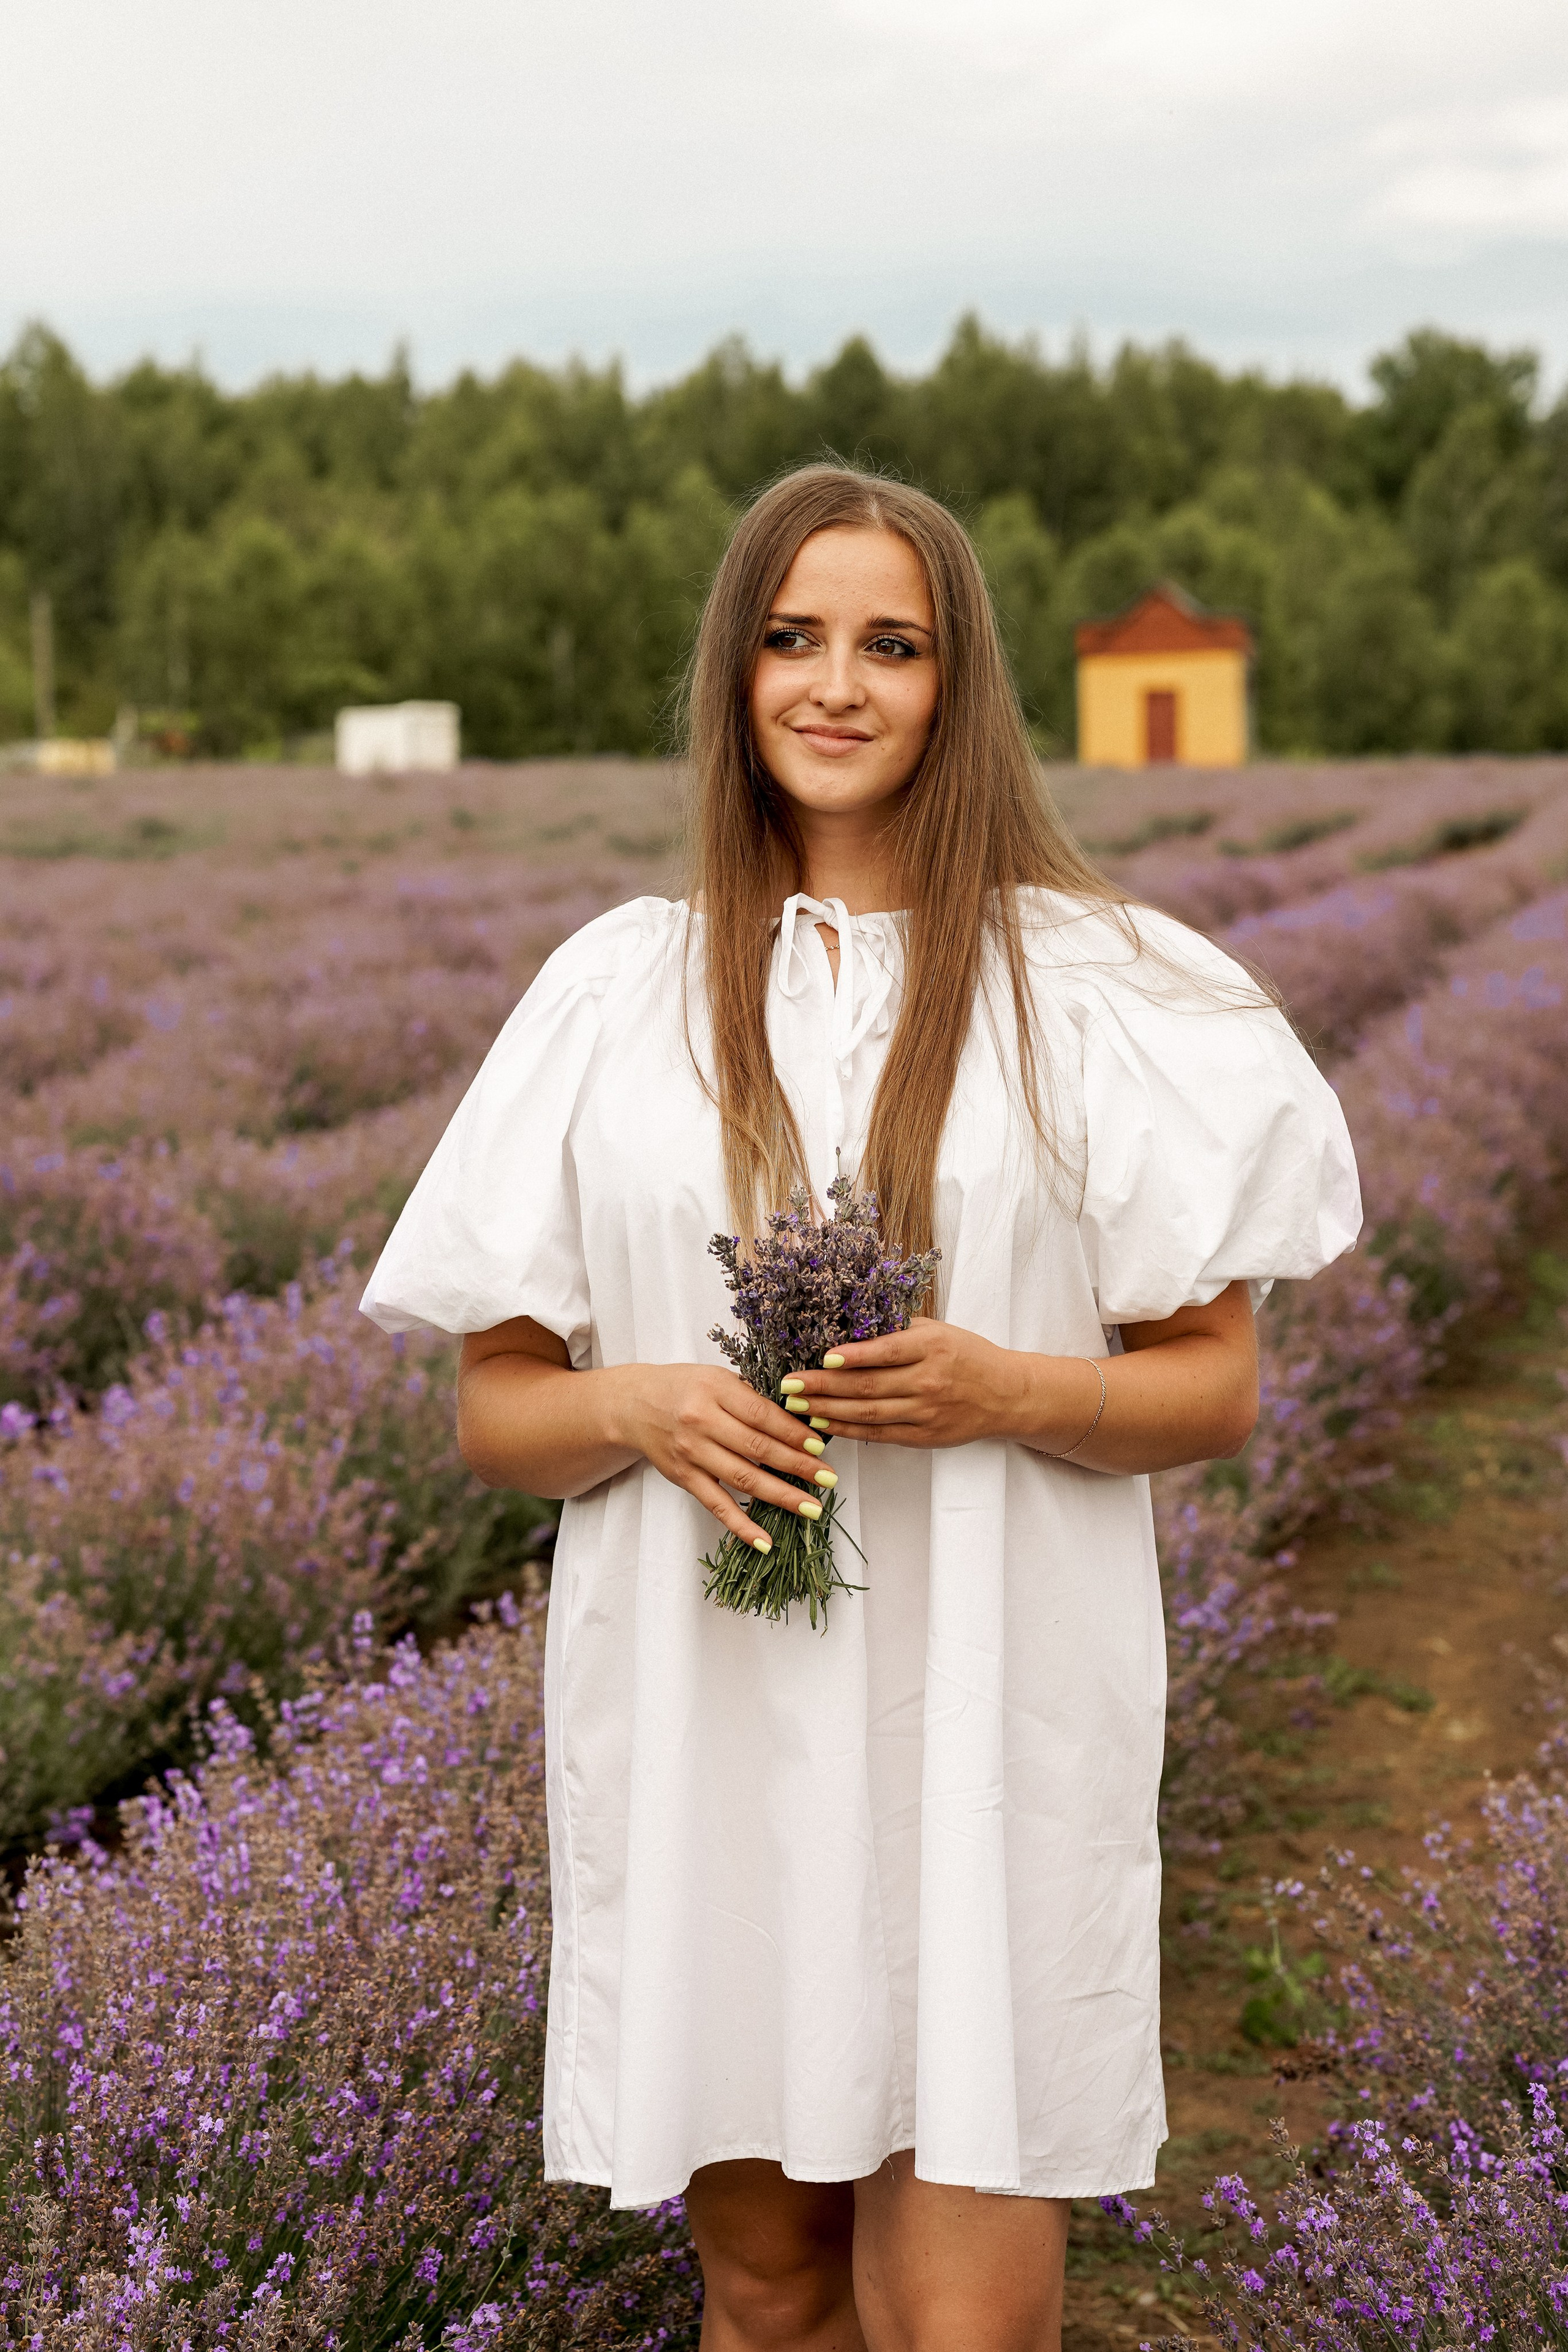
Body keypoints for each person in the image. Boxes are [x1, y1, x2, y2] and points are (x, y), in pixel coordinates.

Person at [361, 465, 1361, 2351]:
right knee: (767, 2286)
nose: (839, 684)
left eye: (891, 644)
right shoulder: (619, 997)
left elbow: (1213, 1383)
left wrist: (1014, 1389)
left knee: (962, 2316)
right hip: (712, 1715)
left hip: (991, 1702)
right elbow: (497, 1416)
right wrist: (642, 1405)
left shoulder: (1103, 991)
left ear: (955, 681)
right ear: (737, 679)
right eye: (794, 639)